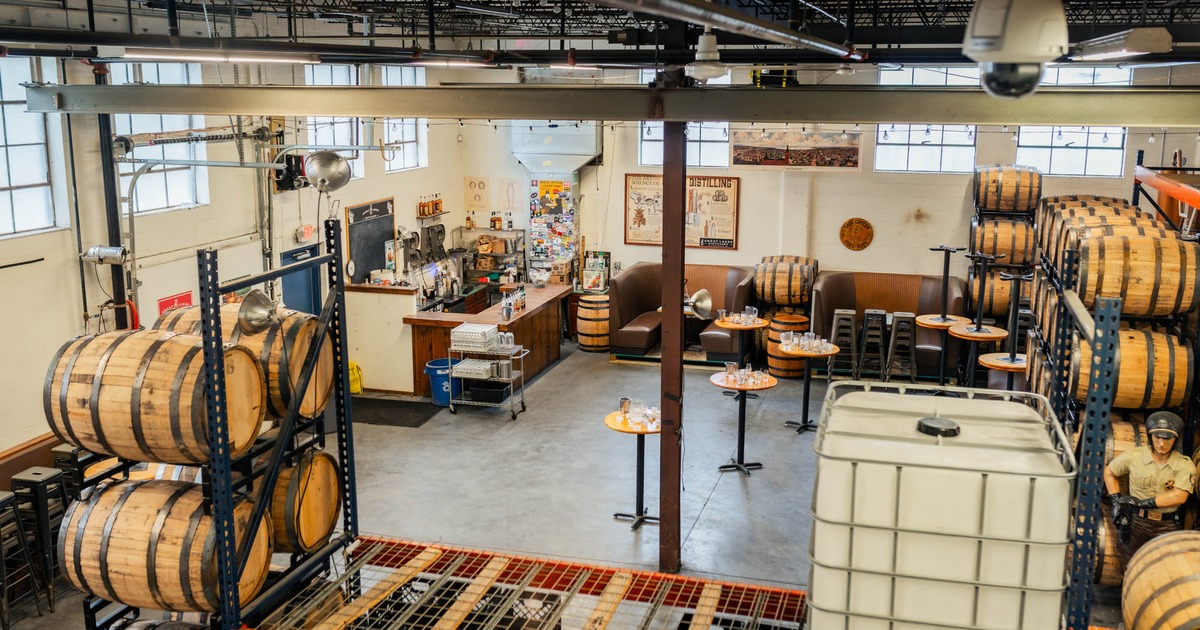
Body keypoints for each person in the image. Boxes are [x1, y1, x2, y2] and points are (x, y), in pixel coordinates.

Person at [1103, 410, 1196, 561]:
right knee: (1130, 563)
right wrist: (1115, 500)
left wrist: (1142, 503)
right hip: (1136, 523)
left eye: (1168, 439)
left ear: (1175, 440)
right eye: (1157, 437)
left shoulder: (1184, 465)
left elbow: (1180, 496)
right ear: (1150, 436)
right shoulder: (1135, 456)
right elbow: (1109, 472)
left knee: (1165, 567)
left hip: (1166, 524)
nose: (1161, 443)